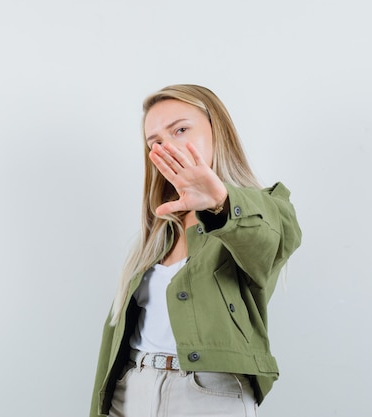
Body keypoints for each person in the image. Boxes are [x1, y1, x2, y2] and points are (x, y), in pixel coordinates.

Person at [90, 84, 302, 417]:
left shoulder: (260, 209)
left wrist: (220, 201)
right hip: (132, 388)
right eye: (156, 142)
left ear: (219, 132)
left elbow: (270, 241)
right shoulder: (158, 229)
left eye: (181, 129)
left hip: (207, 394)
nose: (167, 146)